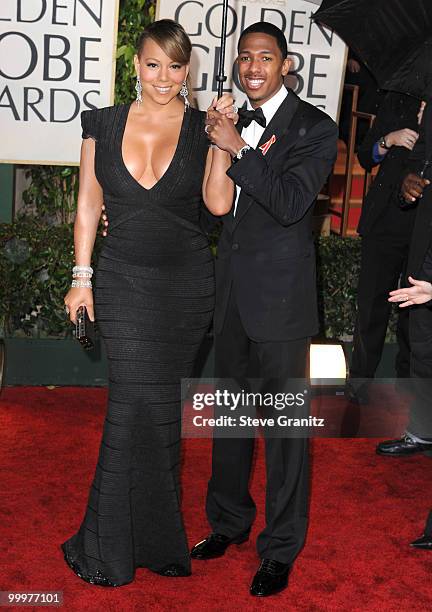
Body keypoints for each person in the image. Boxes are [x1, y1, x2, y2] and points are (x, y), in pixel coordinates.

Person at [62, 19, 236, 586]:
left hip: (185, 287)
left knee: (159, 413)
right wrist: (81, 277)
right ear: (135, 65)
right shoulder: (103, 123)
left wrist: (225, 140)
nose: (164, 77)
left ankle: (157, 542)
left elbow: (215, 204)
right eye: (154, 64)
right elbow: (88, 204)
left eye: (176, 66)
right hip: (122, 282)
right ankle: (109, 543)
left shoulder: (200, 126)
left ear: (189, 71)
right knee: (130, 404)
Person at [190, 22, 338, 597]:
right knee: (229, 426)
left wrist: (239, 147)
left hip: (280, 307)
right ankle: (226, 523)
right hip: (229, 301)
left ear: (287, 64)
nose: (253, 67)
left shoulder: (314, 128)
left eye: (266, 57)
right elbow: (214, 211)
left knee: (283, 437)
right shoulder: (228, 120)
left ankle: (279, 550)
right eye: (245, 57)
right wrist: (214, 144)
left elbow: (290, 203)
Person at [346, 93, 425, 406]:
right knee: (372, 304)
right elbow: (365, 156)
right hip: (385, 221)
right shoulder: (398, 101)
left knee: (416, 310)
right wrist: (387, 140)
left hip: (423, 225)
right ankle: (360, 380)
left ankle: (408, 384)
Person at [378, 102, 432, 458]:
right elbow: (417, 167)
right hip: (425, 258)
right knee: (423, 349)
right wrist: (406, 187)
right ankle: (422, 430)